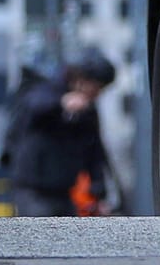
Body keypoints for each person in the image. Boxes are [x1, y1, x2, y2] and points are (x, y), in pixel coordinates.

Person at [6, 51, 117, 217]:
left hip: (65, 189)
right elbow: (34, 107)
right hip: (34, 188)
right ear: (81, 79)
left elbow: (95, 152)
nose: (96, 94)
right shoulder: (48, 89)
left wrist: (98, 192)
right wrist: (62, 103)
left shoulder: (87, 110)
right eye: (94, 87)